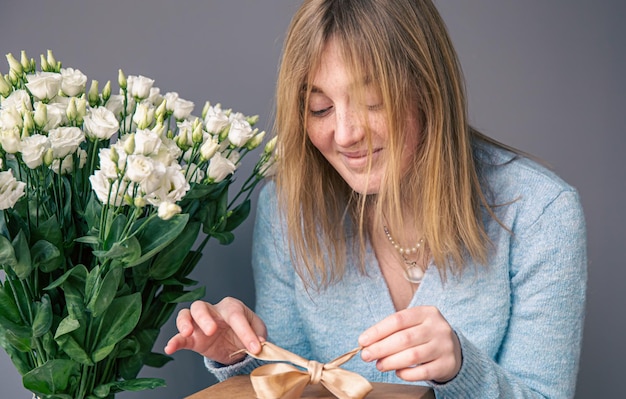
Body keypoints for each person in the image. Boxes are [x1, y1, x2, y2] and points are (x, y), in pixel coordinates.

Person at [165, 0, 587, 397]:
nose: (346, 134)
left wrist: (462, 368)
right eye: (320, 108)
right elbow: (295, 384)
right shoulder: (287, 208)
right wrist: (242, 353)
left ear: (428, 89)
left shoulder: (540, 213)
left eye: (372, 102)